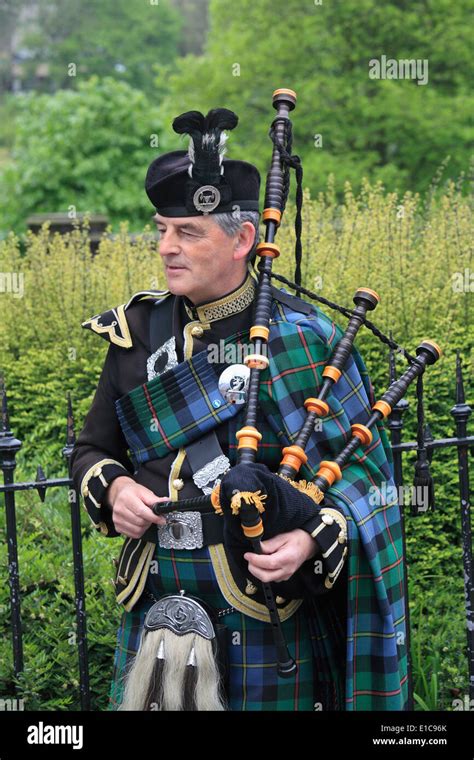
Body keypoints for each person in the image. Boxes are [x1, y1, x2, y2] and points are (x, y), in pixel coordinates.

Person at [70, 107, 408, 711]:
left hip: (262, 606)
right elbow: (91, 450)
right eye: (162, 229)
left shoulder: (303, 339)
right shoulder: (137, 332)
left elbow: (368, 476)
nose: (166, 248)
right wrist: (113, 487)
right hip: (156, 599)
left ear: (244, 239)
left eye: (188, 232)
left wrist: (311, 538)